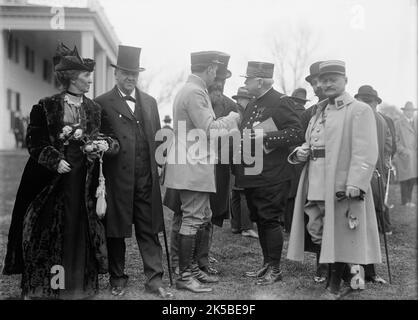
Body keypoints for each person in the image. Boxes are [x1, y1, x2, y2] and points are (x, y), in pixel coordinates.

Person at [3, 43, 119, 299]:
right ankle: (45, 287)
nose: (90, 80)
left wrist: (102, 145)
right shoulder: (46, 106)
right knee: (46, 230)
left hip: (84, 181)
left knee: (79, 229)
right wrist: (54, 159)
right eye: (86, 75)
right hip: (49, 181)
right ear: (72, 77)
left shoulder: (94, 109)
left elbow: (112, 140)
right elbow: (34, 142)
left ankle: (78, 287)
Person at [287, 60, 381, 299]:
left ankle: (335, 285)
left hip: (340, 183)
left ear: (345, 81)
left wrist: (356, 182)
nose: (327, 84)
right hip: (315, 181)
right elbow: (313, 141)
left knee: (339, 233)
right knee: (316, 230)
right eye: (324, 80)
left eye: (333, 80)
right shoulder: (320, 110)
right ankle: (352, 279)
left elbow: (366, 151)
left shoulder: (359, 109)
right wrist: (301, 151)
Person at [95, 45, 172, 299]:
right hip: (118, 179)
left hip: (146, 178)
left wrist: (160, 163)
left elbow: (158, 138)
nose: (130, 78)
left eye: (134, 74)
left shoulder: (149, 102)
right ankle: (118, 278)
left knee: (148, 228)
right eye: (126, 73)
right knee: (116, 229)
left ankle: (155, 279)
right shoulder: (102, 103)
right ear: (116, 74)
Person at [164, 51, 240, 293]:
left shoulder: (189, 89)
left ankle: (190, 269)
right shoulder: (196, 92)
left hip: (191, 163)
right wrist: (232, 118)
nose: (216, 75)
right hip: (193, 165)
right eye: (215, 71)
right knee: (193, 219)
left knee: (201, 216)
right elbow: (209, 128)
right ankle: (185, 276)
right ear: (209, 69)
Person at [234, 61, 304, 285]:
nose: (245, 83)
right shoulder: (254, 103)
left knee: (271, 220)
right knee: (261, 221)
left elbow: (296, 133)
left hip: (274, 175)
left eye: (248, 79)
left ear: (260, 81)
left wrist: (266, 137)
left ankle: (275, 268)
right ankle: (267, 265)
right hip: (254, 175)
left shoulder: (281, 101)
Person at [355, 85, 392, 284]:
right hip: (376, 177)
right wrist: (383, 174)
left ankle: (357, 273)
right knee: (369, 227)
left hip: (359, 178)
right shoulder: (383, 120)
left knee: (354, 226)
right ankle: (369, 272)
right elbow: (388, 150)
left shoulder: (359, 117)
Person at [230, 87, 258, 238]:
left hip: (234, 154)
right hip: (242, 154)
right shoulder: (241, 114)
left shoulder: (234, 112)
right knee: (243, 193)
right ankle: (247, 227)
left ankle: (236, 226)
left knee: (235, 192)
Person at [393, 102, 417, 207]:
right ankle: (405, 201)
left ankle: (409, 200)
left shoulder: (416, 123)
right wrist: (403, 150)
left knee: (412, 179)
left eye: (412, 111)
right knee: (405, 180)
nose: (410, 112)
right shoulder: (398, 123)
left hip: (414, 156)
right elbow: (395, 140)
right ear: (404, 111)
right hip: (404, 156)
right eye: (408, 110)